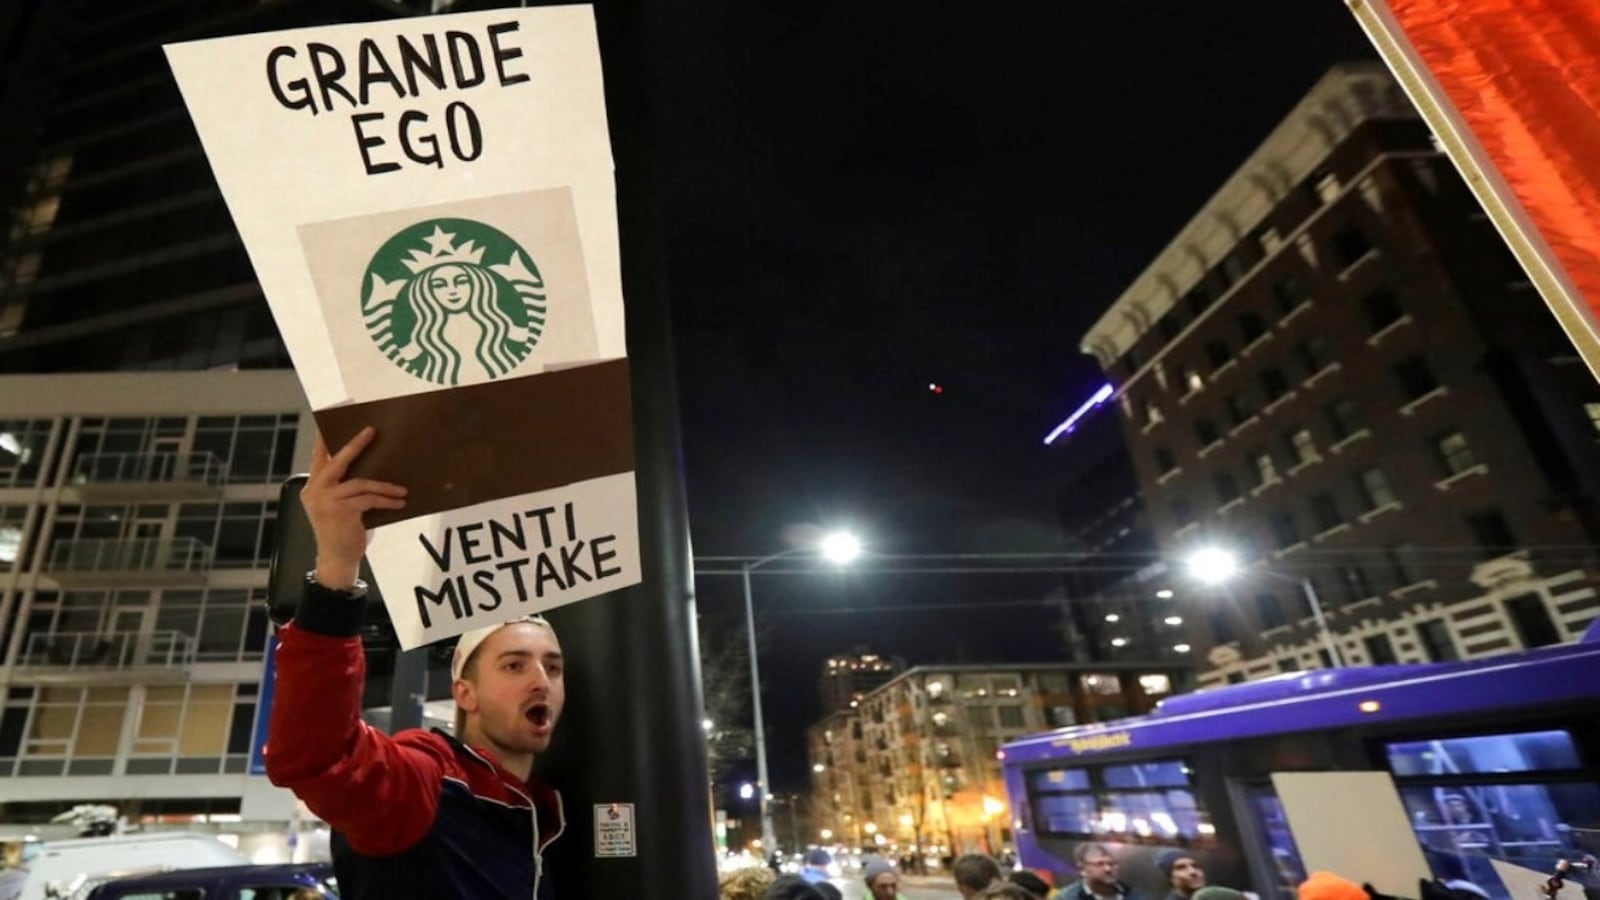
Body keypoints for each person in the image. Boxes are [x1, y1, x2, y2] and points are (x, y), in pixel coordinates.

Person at [264, 428, 566, 899]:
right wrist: (337, 568)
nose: (540, 681)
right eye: (514, 665)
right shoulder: (429, 784)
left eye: (553, 666)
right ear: (465, 692)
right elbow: (320, 758)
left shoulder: (546, 817)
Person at [1056, 844, 1145, 900]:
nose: (1108, 869)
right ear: (1082, 869)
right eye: (1100, 864)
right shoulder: (1067, 897)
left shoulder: (1134, 895)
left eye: (1112, 864)